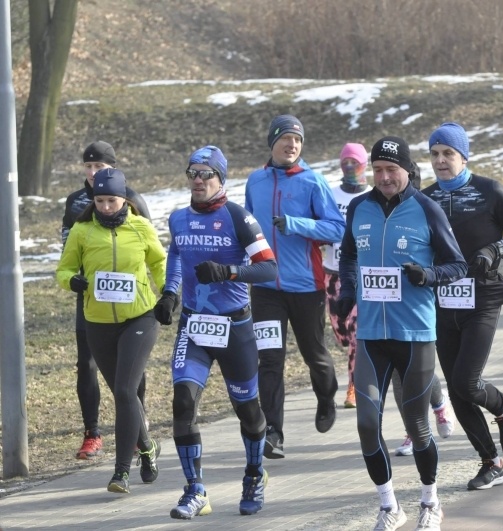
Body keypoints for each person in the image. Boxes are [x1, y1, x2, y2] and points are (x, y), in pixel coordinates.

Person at [335, 135, 467, 531]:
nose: (384, 177)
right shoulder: (359, 207)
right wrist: (347, 291)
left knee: (417, 426)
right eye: (377, 170)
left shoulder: (426, 209)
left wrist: (427, 274)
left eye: (391, 169)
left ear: (407, 170)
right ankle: (389, 506)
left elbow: (457, 265)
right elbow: (348, 255)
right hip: (371, 334)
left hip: (414, 334)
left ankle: (430, 501)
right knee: (365, 424)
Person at [155, 146, 278, 519]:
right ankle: (195, 490)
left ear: (221, 179)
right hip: (194, 325)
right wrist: (170, 293)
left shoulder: (238, 218)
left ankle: (254, 474)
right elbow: (177, 255)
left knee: (248, 411)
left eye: (206, 173)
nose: (198, 180)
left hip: (234, 327)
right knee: (183, 402)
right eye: (192, 172)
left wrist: (229, 272)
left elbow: (269, 269)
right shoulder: (178, 219)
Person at [421, 122, 503, 491]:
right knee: (457, 391)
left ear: (464, 156)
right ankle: (491, 462)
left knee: (467, 381)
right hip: (442, 300)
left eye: (448, 153)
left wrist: (494, 249)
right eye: (435, 154)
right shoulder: (424, 198)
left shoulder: (489, 191)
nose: (441, 160)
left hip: (483, 297)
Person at [56, 168, 164, 494]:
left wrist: (169, 294)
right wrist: (73, 281)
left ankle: (121, 473)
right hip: (98, 323)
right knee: (123, 394)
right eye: (100, 200)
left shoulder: (141, 227)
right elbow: (64, 269)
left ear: (124, 199)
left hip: (140, 318)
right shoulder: (82, 231)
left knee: (126, 390)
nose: (105, 206)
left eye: (111, 201)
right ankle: (147, 447)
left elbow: (160, 264)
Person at [245, 114, 345, 459]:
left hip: (305, 286)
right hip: (265, 287)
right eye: (286, 138)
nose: (292, 145)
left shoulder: (312, 182)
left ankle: (326, 396)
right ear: (272, 142)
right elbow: (247, 227)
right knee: (269, 359)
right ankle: (273, 432)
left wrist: (296, 224)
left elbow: (337, 228)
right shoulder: (255, 181)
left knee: (314, 354)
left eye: (298, 140)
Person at [62, 141, 150, 460]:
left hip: (129, 302)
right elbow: (66, 249)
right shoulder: (75, 202)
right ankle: (92, 434)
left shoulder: (132, 198)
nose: (92, 172)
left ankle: (139, 428)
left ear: (113, 167)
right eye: (88, 166)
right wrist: (74, 278)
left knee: (130, 367)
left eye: (99, 166)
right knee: (86, 364)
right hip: (90, 296)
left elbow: (148, 247)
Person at [322, 142, 372, 409]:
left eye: (356, 162)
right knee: (342, 334)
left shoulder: (373, 196)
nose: (351, 167)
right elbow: (320, 227)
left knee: (356, 333)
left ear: (365, 165)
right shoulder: (330, 195)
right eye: (346, 163)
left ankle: (354, 387)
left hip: (359, 275)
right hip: (332, 274)